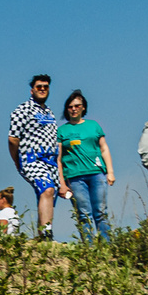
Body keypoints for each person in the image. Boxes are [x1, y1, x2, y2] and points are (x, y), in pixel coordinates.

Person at [6, 75, 65, 240]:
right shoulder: (23, 109)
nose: (42, 89)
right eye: (39, 86)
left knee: (47, 196)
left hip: (51, 161)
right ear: (32, 90)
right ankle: (47, 234)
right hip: (32, 158)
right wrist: (17, 160)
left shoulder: (50, 112)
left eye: (46, 86)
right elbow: (13, 138)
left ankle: (41, 237)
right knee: (47, 189)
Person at [56, 89, 113, 240]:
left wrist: (110, 171)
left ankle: (108, 246)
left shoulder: (94, 126)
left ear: (83, 107)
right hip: (75, 177)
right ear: (66, 109)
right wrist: (61, 182)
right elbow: (58, 158)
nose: (74, 109)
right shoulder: (61, 131)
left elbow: (104, 148)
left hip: (96, 173)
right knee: (83, 213)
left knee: (100, 211)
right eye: (70, 106)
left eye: (77, 106)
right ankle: (90, 248)